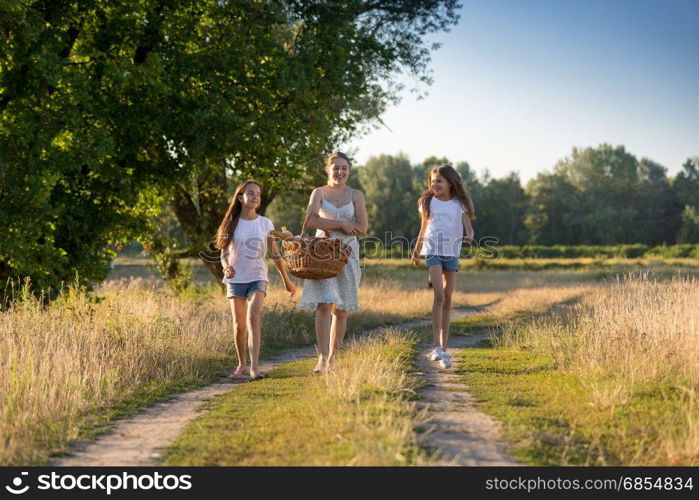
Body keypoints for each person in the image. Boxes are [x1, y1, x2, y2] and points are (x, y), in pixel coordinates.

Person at [216, 180, 296, 380]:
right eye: (251, 193)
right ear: (240, 197)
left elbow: (275, 254)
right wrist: (226, 266)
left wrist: (286, 280)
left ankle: (255, 368)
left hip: (258, 276)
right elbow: (223, 254)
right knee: (238, 325)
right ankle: (242, 364)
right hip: (235, 279)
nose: (255, 197)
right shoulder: (231, 223)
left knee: (253, 318)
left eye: (258, 194)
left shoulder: (265, 224)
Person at [299, 152, 368, 373]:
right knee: (324, 304)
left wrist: (334, 224)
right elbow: (311, 220)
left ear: (349, 170)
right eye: (336, 167)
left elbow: (363, 228)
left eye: (344, 168)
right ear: (327, 169)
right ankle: (321, 357)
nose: (340, 172)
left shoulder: (355, 195)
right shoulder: (318, 193)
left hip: (348, 252)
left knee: (341, 309)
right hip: (323, 251)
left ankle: (333, 360)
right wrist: (340, 223)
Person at [411, 165, 475, 369]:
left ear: (450, 183)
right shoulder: (427, 201)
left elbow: (469, 226)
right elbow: (423, 226)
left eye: (439, 181)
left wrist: (469, 234)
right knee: (438, 295)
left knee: (448, 298)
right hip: (433, 250)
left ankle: (444, 349)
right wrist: (416, 249)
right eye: (432, 181)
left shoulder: (459, 203)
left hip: (452, 253)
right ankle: (436, 347)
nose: (434, 184)